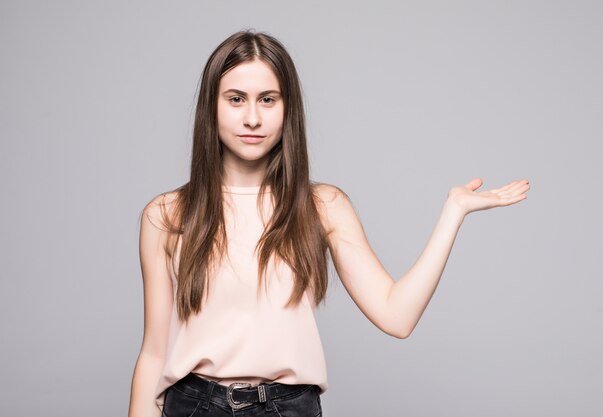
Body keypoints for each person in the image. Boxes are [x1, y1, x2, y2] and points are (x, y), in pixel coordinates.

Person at [127, 29, 530, 417]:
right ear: (210, 107)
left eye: (268, 99)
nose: (252, 117)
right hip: (193, 406)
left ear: (288, 109)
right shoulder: (167, 215)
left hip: (287, 408)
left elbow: (397, 316)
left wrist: (453, 213)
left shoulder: (322, 206)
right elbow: (154, 353)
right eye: (236, 99)